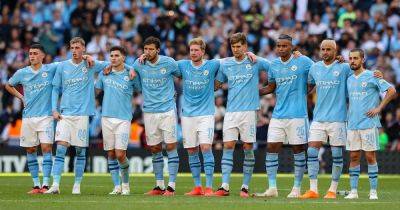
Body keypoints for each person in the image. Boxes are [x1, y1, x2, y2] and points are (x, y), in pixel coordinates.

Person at [257, 34, 314, 198]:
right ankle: (272, 188)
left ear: (291, 47)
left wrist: (306, 90)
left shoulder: (302, 61)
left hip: (298, 115)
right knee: (271, 148)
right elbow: (271, 87)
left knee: (298, 150)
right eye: (278, 46)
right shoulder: (273, 65)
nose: (281, 49)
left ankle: (296, 188)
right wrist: (254, 92)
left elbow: (319, 72)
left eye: (284, 46)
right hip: (278, 115)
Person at [214, 32, 270, 197]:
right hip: (231, 111)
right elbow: (217, 83)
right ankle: (224, 186)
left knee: (247, 147)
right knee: (228, 146)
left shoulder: (254, 61)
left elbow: (275, 66)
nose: (236, 49)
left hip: (248, 112)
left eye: (239, 46)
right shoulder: (225, 64)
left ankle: (245, 186)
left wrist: (255, 56)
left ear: (245, 47)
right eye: (233, 46)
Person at [344, 49, 396, 200]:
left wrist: (379, 108)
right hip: (352, 123)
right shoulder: (349, 78)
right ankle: (353, 191)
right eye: (350, 58)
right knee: (353, 156)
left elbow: (391, 91)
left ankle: (373, 191)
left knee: (370, 156)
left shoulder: (372, 75)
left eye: (355, 58)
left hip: (368, 123)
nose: (352, 61)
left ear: (363, 60)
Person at [95, 46, 140, 195]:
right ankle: (116, 186)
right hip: (106, 117)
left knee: (120, 154)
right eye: (111, 55)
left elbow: (139, 89)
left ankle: (126, 184)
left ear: (123, 58)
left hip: (123, 118)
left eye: (116, 55)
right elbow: (97, 90)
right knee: (111, 154)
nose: (113, 58)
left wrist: (130, 68)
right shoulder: (105, 73)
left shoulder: (131, 74)